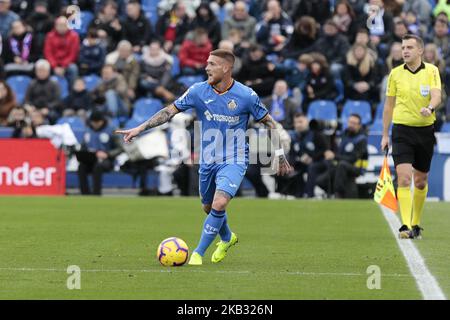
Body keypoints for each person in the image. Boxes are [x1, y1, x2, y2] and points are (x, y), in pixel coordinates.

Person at [116, 49, 292, 266]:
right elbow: (169, 111)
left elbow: (269, 123)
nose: (206, 67)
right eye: (207, 63)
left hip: (234, 158)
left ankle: (198, 253)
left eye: (212, 64)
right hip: (208, 159)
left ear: (226, 68)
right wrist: (140, 128)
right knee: (208, 208)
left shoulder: (246, 95)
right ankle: (227, 238)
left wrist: (280, 154)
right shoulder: (198, 91)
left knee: (219, 204)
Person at [381, 34, 442, 239]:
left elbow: (437, 95)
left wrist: (430, 107)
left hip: (425, 131)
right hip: (402, 131)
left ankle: (416, 223)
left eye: (409, 47)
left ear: (420, 51)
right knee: (404, 178)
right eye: (403, 47)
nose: (404, 51)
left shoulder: (432, 71)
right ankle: (405, 225)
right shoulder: (395, 74)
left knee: (421, 181)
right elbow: (388, 106)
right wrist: (384, 135)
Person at [310, 114, 368, 198]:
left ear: (359, 126)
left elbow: (353, 159)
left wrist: (334, 156)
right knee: (320, 180)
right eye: (350, 122)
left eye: (354, 123)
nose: (351, 125)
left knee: (342, 165)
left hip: (356, 167)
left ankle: (338, 194)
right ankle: (321, 194)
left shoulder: (362, 139)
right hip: (340, 165)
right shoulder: (344, 135)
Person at [276, 113, 329, 198]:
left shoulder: (316, 134)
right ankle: (294, 194)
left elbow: (325, 151)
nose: (298, 125)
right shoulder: (294, 138)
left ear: (307, 122)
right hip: (302, 163)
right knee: (287, 167)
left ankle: (310, 195)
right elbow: (292, 154)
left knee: (312, 167)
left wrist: (312, 158)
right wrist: (291, 164)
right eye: (296, 122)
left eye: (301, 122)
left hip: (319, 162)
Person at [78, 110, 121, 195]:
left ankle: (96, 193)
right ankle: (85, 193)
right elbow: (83, 146)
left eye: (97, 122)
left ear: (102, 121)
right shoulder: (88, 130)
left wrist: (108, 154)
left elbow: (120, 148)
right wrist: (84, 154)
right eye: (93, 122)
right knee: (81, 166)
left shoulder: (111, 130)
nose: (95, 124)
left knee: (98, 167)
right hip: (91, 158)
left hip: (107, 160)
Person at [43, 16, 80, 86]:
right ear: (55, 26)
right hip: (53, 64)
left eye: (64, 25)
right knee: (42, 67)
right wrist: (55, 66)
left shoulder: (74, 36)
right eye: (59, 25)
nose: (62, 27)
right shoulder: (50, 36)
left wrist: (63, 66)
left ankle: (72, 91)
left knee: (73, 68)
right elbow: (48, 53)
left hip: (67, 64)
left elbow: (73, 54)